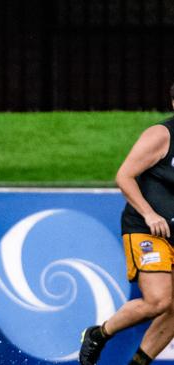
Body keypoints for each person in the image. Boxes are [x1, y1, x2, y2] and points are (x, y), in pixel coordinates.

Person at [79, 83, 174, 365]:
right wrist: (149, 214)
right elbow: (124, 176)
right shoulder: (162, 135)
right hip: (147, 227)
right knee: (158, 301)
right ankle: (99, 334)